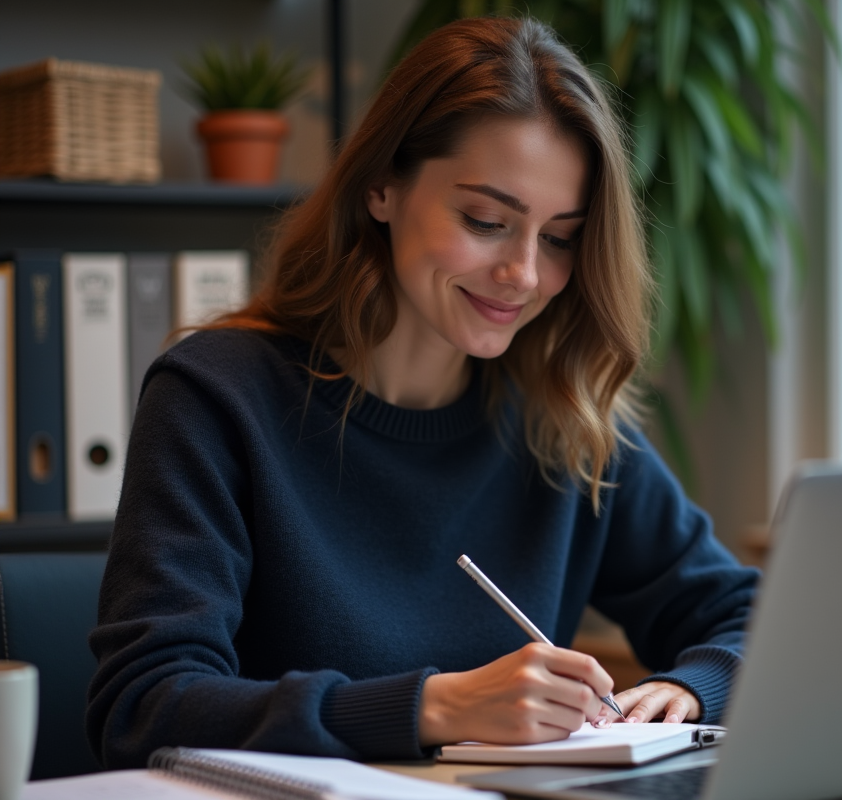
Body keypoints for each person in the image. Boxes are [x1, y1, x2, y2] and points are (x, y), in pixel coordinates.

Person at [87, 16, 759, 768]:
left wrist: (694, 689)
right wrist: (437, 705)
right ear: (382, 186)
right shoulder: (217, 398)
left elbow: (754, 614)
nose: (525, 274)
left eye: (560, 237)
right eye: (485, 220)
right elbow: (142, 704)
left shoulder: (562, 418)